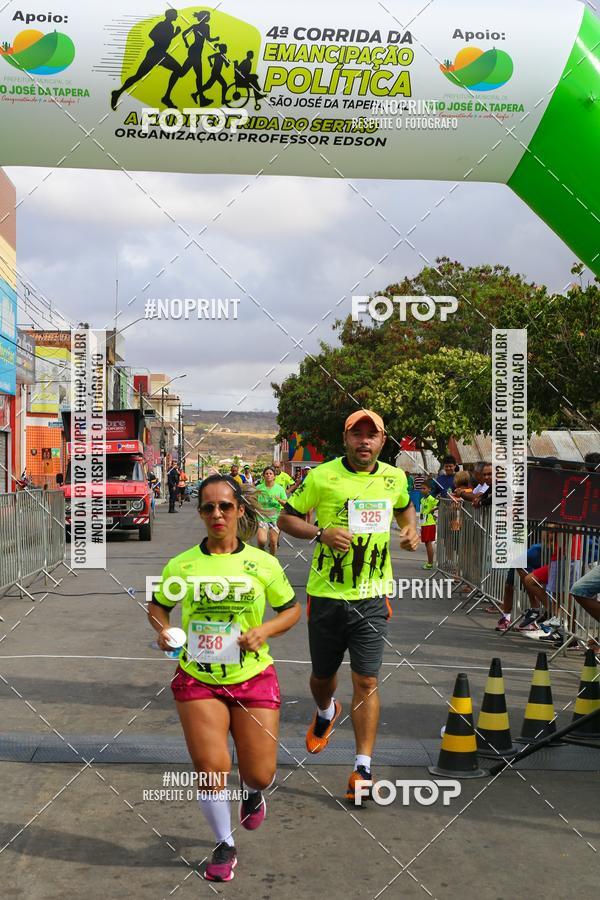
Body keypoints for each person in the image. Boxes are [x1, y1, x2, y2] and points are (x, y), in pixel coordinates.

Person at [147, 474, 301, 882]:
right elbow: (158, 606)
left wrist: (264, 631)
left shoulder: (263, 563)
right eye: (209, 507)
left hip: (252, 676)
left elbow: (291, 609)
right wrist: (163, 631)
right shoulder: (183, 564)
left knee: (260, 773)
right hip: (198, 677)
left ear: (239, 511)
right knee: (211, 767)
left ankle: (252, 793)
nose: (217, 514)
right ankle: (224, 842)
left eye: (225, 506)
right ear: (200, 513)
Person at [278, 409, 418, 802]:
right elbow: (286, 519)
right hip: (326, 597)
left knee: (367, 681)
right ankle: (325, 711)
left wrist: (410, 528)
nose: (364, 442)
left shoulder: (394, 477)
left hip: (372, 598)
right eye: (357, 435)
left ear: (382, 441)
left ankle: (362, 768)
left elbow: (406, 505)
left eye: (371, 436)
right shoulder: (321, 477)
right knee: (322, 678)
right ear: (346, 440)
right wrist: (321, 532)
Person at [111, 10, 182, 110]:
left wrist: (175, 34)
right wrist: (163, 40)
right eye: (175, 15)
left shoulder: (170, 26)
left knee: (179, 70)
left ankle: (166, 97)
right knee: (138, 76)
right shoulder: (162, 24)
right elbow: (151, 35)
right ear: (170, 16)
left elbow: (167, 39)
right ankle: (117, 93)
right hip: (155, 53)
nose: (177, 16)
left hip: (162, 54)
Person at [255, 466, 287, 556]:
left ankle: (272, 559)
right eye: (266, 474)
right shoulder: (258, 488)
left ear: (274, 477)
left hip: (274, 518)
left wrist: (279, 499)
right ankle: (263, 556)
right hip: (261, 517)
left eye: (270, 474)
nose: (268, 475)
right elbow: (252, 501)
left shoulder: (279, 489)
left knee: (273, 542)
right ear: (263, 476)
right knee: (261, 541)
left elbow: (286, 503)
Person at [419, 480, 439, 569]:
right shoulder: (422, 499)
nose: (422, 490)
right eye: (421, 488)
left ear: (429, 489)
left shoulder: (431, 499)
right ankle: (429, 562)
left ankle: (430, 563)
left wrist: (433, 510)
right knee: (426, 544)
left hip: (429, 524)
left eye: (424, 488)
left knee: (428, 543)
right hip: (423, 524)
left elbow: (440, 504)